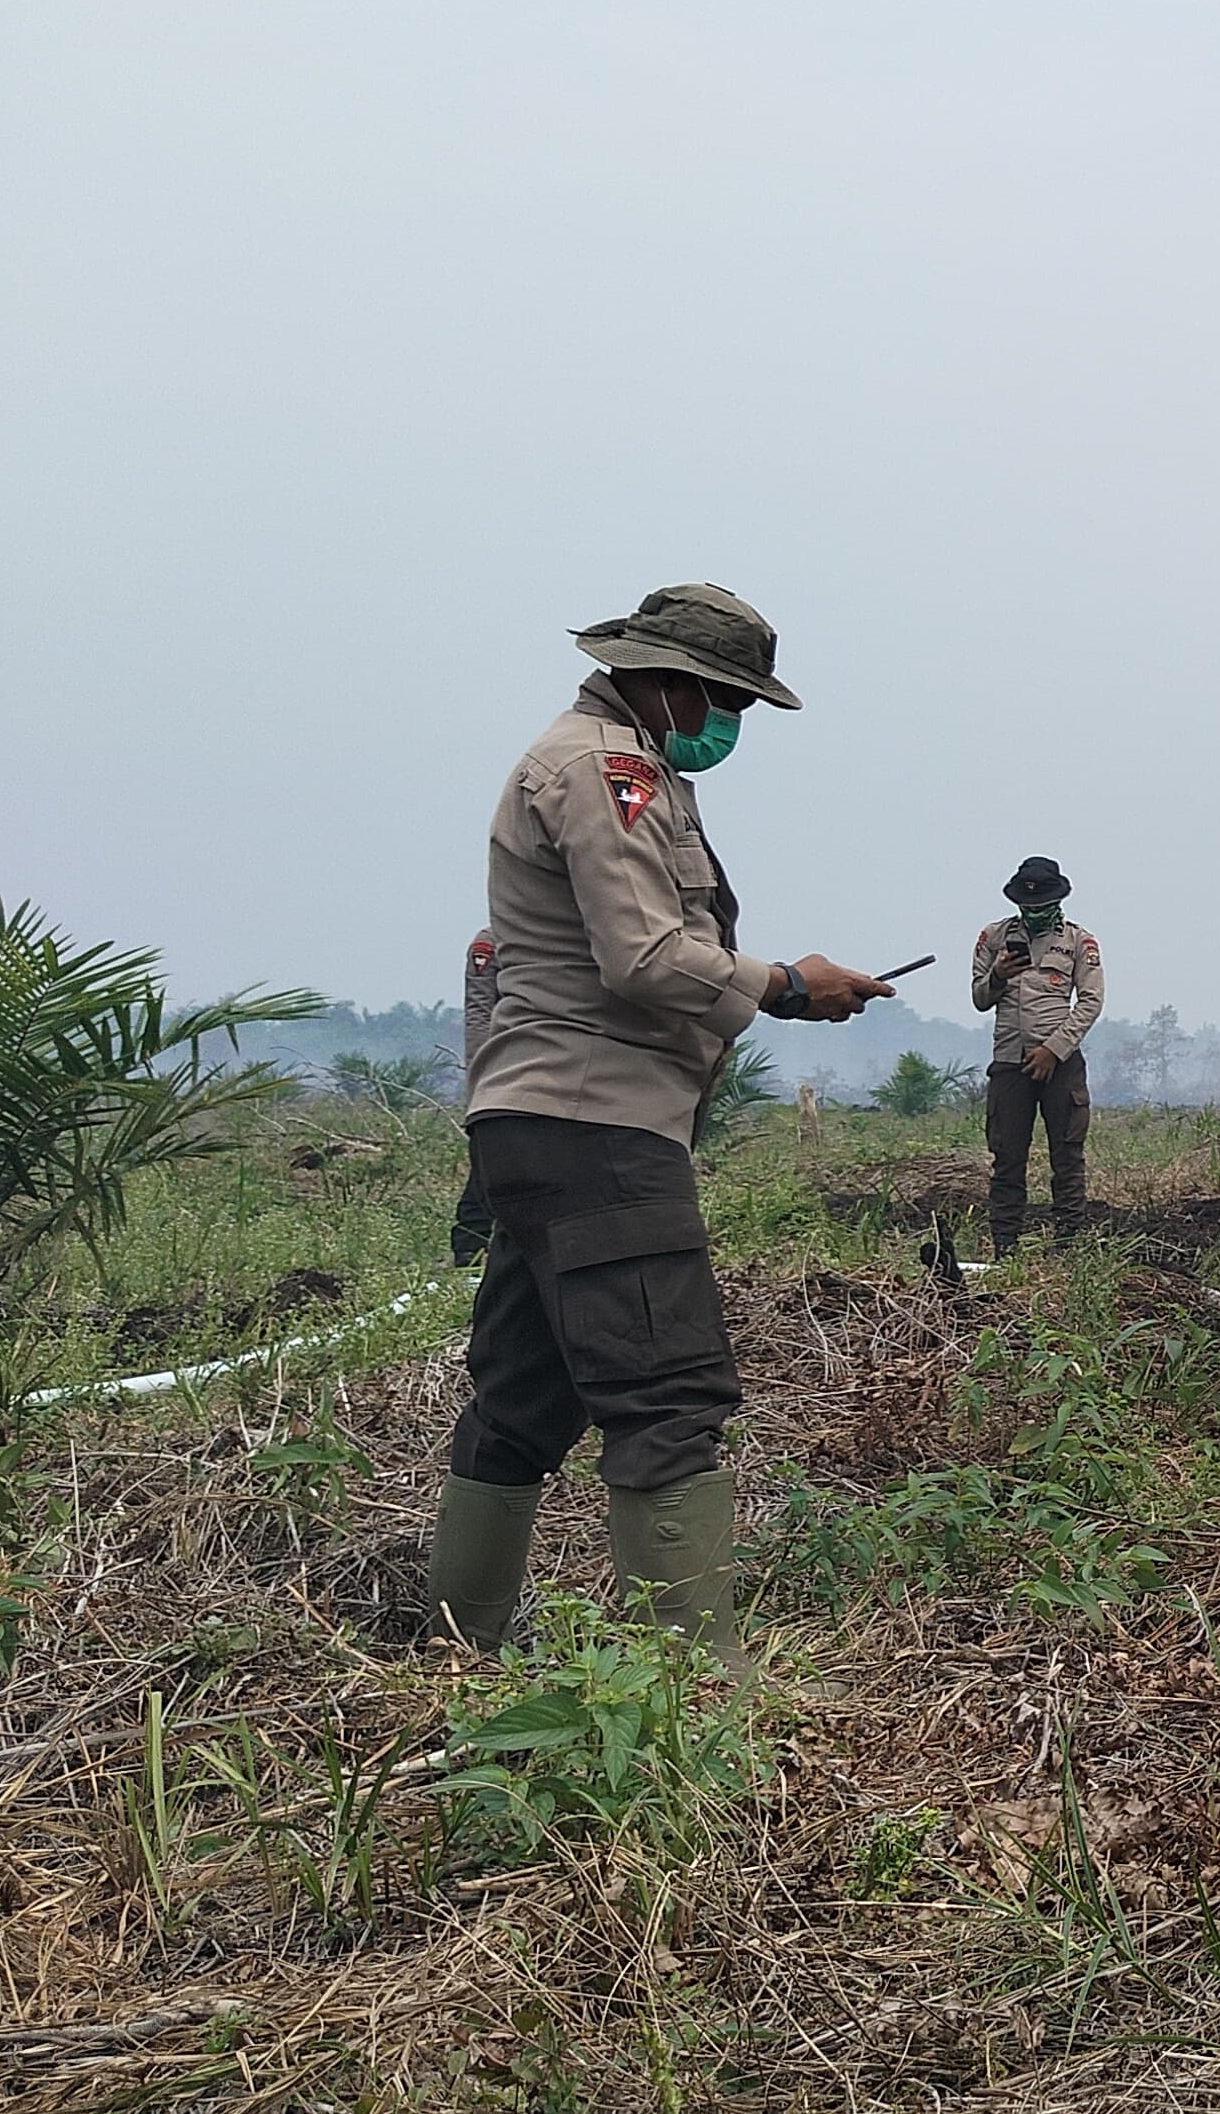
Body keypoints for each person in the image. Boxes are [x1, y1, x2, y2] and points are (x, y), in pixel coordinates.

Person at [424, 584, 889, 1655]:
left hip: (541, 1120)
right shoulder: (608, 768)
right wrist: (785, 983)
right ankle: (697, 1690)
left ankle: (456, 1647)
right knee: (667, 1396)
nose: (732, 728)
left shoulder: (612, 764)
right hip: (598, 1124)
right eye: (729, 702)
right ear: (671, 681)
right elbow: (642, 958)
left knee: (523, 1398)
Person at [968, 857, 1103, 1254]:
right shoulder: (993, 938)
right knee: (1007, 1159)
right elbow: (978, 998)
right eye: (1028, 906)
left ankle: (1069, 1246)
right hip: (1010, 1061)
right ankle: (1005, 1247)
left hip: (1060, 1063)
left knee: (1067, 1157)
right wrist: (998, 975)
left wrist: (1053, 1050)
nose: (1035, 912)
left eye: (1043, 905)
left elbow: (1090, 1002)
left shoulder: (1079, 942)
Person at [448, 928, 502, 1262]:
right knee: (488, 1165)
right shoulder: (492, 941)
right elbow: (480, 1013)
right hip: (504, 1071)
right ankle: (469, 1247)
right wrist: (484, 1078)